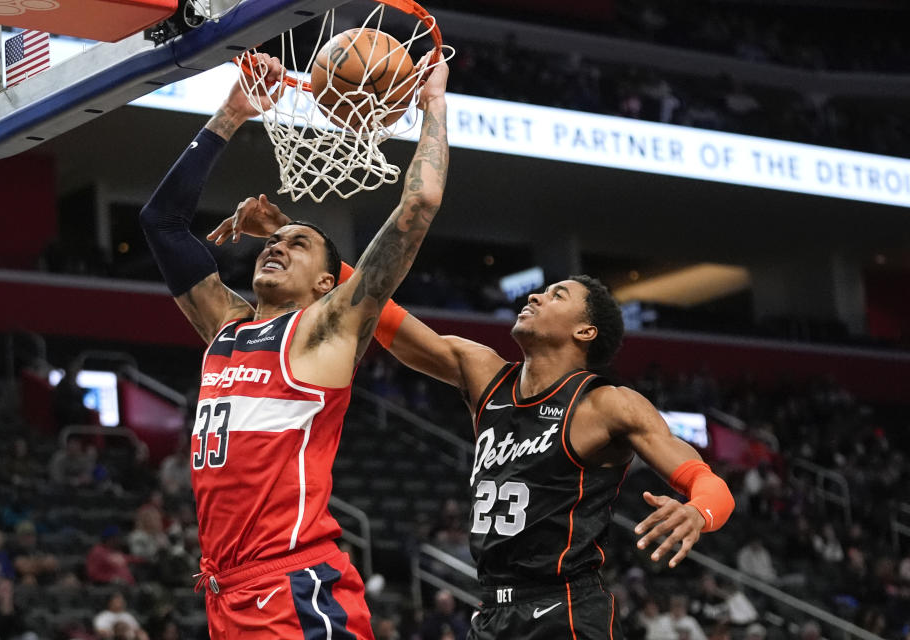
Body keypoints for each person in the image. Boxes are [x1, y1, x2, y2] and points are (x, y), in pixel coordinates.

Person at [216, 235, 734, 638]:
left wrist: (697, 510)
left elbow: (711, 485)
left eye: (557, 295)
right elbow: (382, 315)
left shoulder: (607, 404)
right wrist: (314, 256)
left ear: (585, 332)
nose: (534, 294)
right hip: (490, 609)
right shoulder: (485, 373)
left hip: (567, 609)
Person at [139, 51, 449, 639]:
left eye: (296, 243)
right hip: (227, 591)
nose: (274, 245)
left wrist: (433, 104)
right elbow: (161, 222)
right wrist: (233, 113)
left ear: (331, 283)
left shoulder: (328, 329)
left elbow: (419, 206)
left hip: (294, 588)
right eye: (271, 240)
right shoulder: (226, 325)